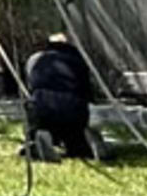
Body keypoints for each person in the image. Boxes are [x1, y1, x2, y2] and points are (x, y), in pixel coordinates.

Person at [21, 31, 100, 162]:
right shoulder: (78, 60)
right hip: (72, 109)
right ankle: (86, 146)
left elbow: (30, 89)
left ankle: (37, 140)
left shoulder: (35, 59)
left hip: (43, 107)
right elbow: (87, 91)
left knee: (33, 109)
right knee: (75, 140)